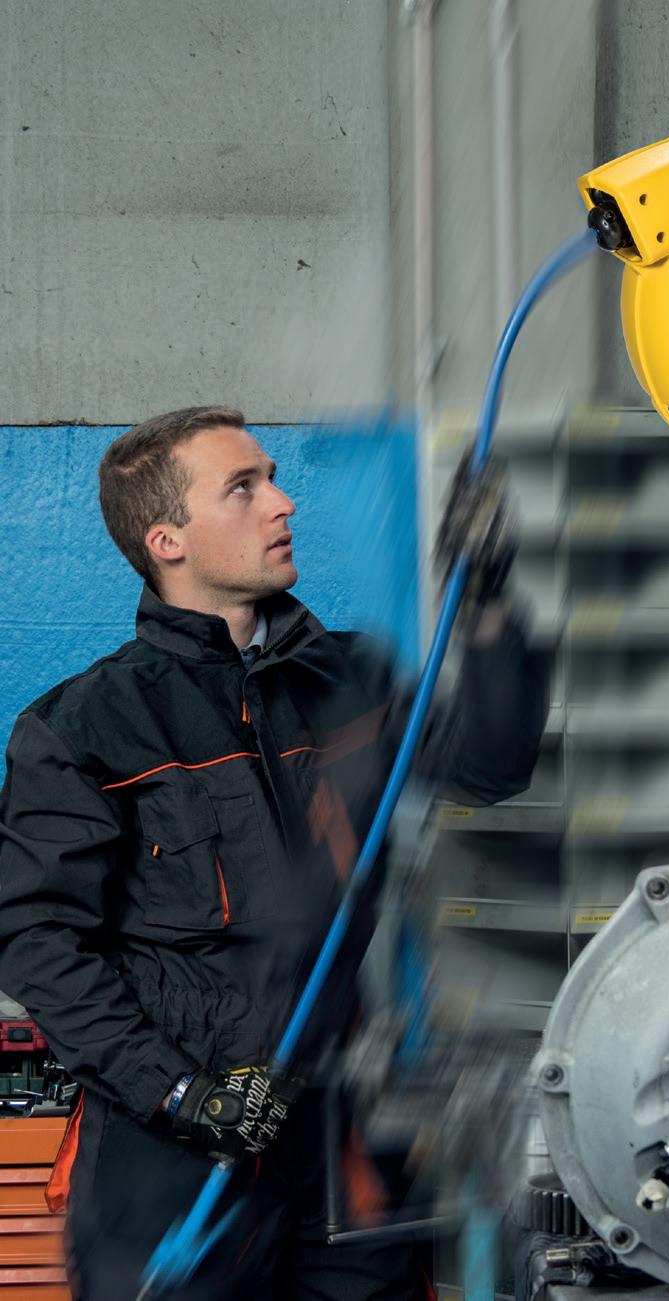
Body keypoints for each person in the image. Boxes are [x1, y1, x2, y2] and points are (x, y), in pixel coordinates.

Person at [0, 406, 549, 1300]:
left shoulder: (352, 679)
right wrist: (181, 1093)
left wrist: (487, 605)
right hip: (173, 1165)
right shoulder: (84, 728)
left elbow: (493, 764)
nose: (281, 503)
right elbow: (38, 945)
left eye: (273, 479)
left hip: (343, 1146)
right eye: (242, 487)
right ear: (167, 539)